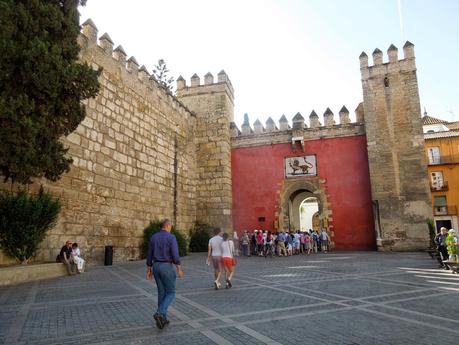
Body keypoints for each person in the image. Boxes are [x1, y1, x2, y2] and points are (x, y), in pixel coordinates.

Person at [146, 219, 184, 330]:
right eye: (170, 226)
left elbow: (149, 254)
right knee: (171, 292)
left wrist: (149, 268)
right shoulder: (171, 237)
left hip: (156, 266)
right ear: (167, 226)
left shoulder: (153, 237)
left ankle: (163, 319)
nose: (170, 228)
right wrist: (179, 269)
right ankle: (160, 312)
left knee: (161, 292)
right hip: (166, 266)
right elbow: (175, 255)